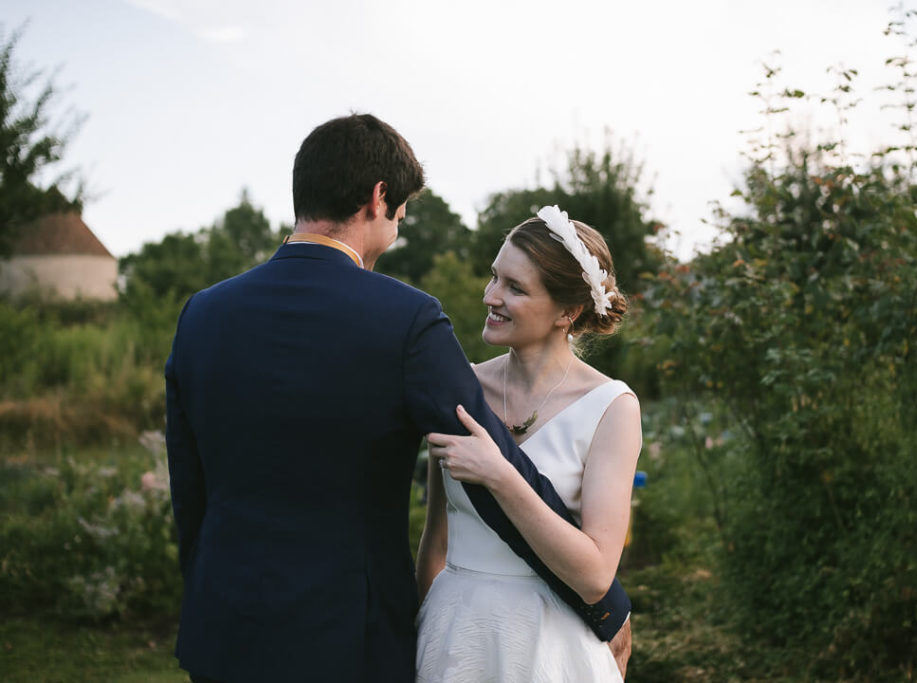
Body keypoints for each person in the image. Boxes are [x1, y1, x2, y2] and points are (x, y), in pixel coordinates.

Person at [165, 116, 631, 683]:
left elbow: (188, 487)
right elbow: (487, 466)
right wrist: (605, 604)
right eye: (401, 218)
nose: (396, 233)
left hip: (223, 627)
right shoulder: (405, 318)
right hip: (346, 636)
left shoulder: (202, 314)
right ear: (378, 198)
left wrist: (206, 593)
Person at [416, 206, 643, 682]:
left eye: (515, 288)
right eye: (495, 277)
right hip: (454, 637)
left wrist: (501, 475)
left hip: (550, 644)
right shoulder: (462, 389)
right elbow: (436, 541)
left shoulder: (611, 408)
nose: (491, 296)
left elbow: (597, 573)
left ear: (568, 311)